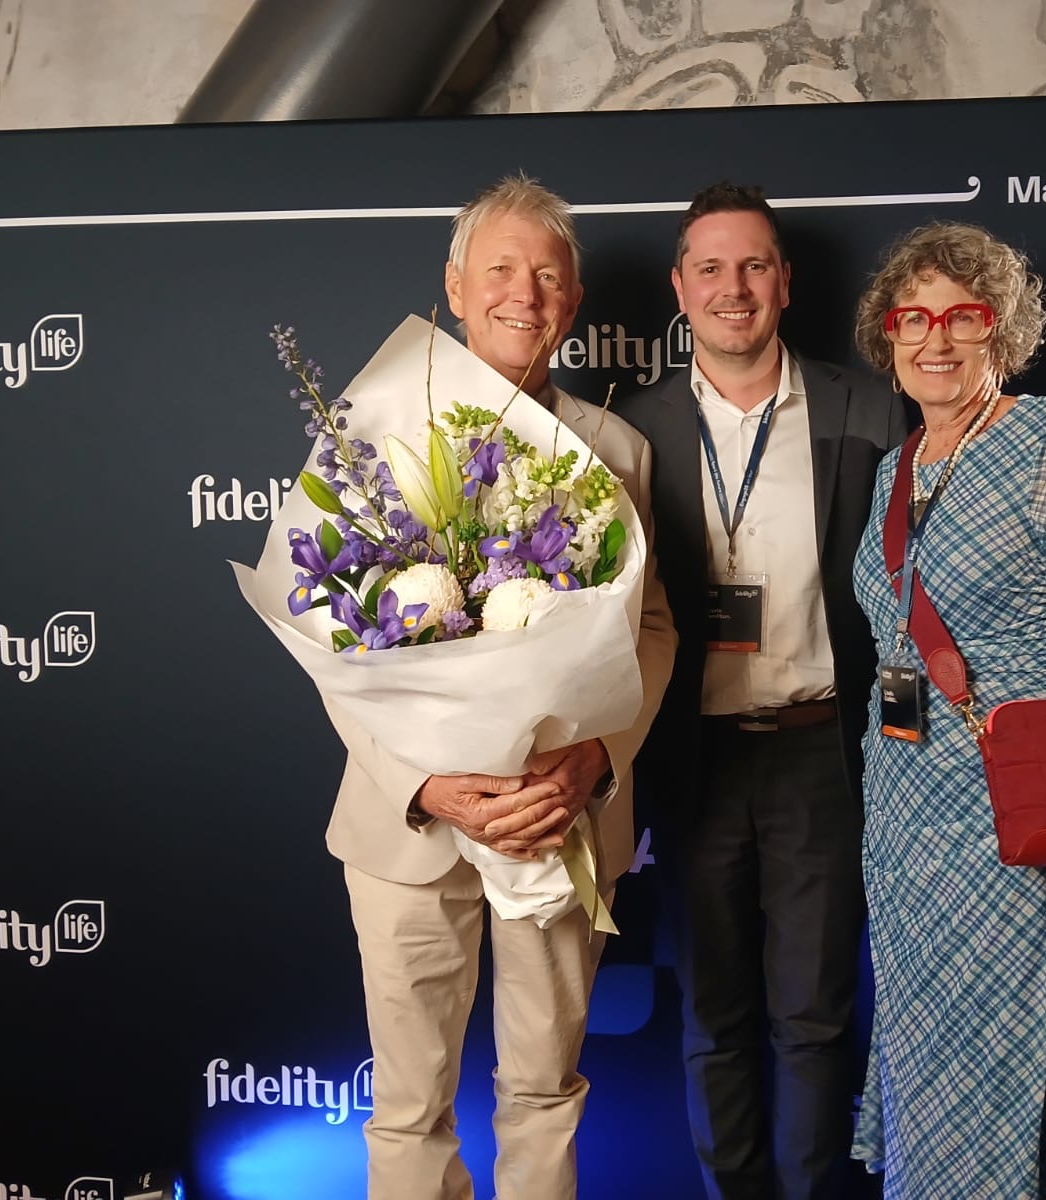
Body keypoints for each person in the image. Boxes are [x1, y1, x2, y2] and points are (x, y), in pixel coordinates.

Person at [319, 175, 676, 1200]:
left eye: (549, 276)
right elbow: (332, 639)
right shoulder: (371, 434)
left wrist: (593, 759)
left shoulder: (619, 450)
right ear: (455, 288)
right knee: (408, 1106)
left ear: (573, 302)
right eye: (502, 270)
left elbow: (652, 629)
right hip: (409, 828)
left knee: (544, 1092)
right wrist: (426, 784)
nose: (527, 293)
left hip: (556, 820)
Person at [847, 220, 1046, 1197]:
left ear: (1002, 331)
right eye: (914, 318)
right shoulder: (895, 469)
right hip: (902, 815)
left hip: (1007, 809)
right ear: (890, 335)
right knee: (922, 1063)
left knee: (998, 1069)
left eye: (963, 317)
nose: (935, 339)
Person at [617, 182, 908, 1200]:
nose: (731, 288)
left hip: (820, 754)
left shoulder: (866, 407)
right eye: (710, 267)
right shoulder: (633, 428)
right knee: (714, 1017)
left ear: (784, 280)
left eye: (752, 265)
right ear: (679, 287)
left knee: (816, 1018)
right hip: (692, 761)